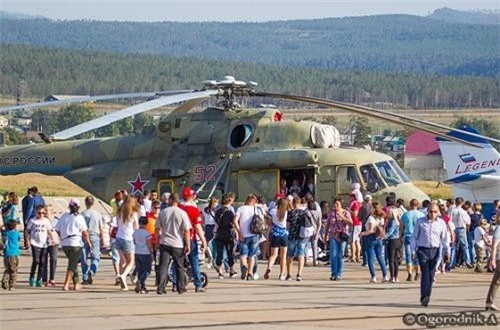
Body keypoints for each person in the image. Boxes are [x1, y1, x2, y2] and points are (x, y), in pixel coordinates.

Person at [410, 202, 450, 307]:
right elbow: (414, 236)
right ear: (427, 211)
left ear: (438, 213)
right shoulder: (420, 222)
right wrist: (413, 250)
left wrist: (447, 251)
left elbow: (445, 238)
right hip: (422, 250)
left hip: (435, 250)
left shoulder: (441, 223)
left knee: (431, 274)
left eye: (435, 212)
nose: (432, 214)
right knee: (425, 273)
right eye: (430, 211)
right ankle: (424, 296)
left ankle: (427, 295)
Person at [155, 193, 192, 295]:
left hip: (165, 242)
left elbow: (157, 229)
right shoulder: (182, 213)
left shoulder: (163, 212)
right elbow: (186, 230)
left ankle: (161, 287)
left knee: (163, 266)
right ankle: (181, 287)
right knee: (179, 266)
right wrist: (188, 244)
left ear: (170, 200)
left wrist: (157, 241)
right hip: (177, 243)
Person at [55, 199, 91, 291]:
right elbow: (85, 232)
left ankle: (76, 283)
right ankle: (66, 284)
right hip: (76, 243)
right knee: (72, 264)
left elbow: (57, 229)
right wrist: (89, 242)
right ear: (78, 207)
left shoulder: (64, 216)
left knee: (73, 263)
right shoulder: (79, 217)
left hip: (65, 243)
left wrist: (62, 237)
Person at [179, 187, 207, 292]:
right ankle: (198, 284)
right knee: (194, 261)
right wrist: (203, 240)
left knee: (178, 263)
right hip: (191, 238)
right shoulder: (194, 210)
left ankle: (176, 283)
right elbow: (198, 227)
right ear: (193, 196)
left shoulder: (178, 208)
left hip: (178, 239)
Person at [234, 194, 262, 280]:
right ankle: (250, 273)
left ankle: (244, 266)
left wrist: (239, 232)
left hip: (243, 234)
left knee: (243, 254)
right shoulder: (257, 209)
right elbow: (262, 221)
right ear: (254, 201)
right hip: (254, 234)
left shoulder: (240, 209)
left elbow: (235, 221)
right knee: (252, 255)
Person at [324, 197, 352, 281]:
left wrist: (342, 217)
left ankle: (339, 273)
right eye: (335, 204)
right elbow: (327, 225)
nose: (336, 206)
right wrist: (325, 236)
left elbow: (351, 223)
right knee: (333, 255)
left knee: (340, 255)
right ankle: (333, 273)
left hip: (342, 235)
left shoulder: (345, 212)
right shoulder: (331, 213)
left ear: (341, 205)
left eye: (337, 204)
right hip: (333, 235)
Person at [115, 196, 139, 291]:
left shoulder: (119, 212)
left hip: (118, 237)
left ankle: (123, 281)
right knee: (131, 261)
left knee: (123, 260)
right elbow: (136, 227)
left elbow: (117, 224)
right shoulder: (133, 214)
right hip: (128, 238)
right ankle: (123, 275)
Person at [27, 205, 55, 287]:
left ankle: (39, 279)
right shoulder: (32, 221)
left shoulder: (46, 221)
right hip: (34, 242)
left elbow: (49, 230)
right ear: (36, 213)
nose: (41, 215)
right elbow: (27, 231)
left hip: (44, 243)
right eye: (39, 213)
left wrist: (52, 239)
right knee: (36, 260)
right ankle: (32, 277)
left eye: (43, 213)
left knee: (42, 262)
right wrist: (28, 241)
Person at [361, 202, 389, 283]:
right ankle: (385, 275)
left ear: (373, 209)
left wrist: (362, 233)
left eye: (370, 207)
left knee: (371, 258)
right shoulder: (381, 218)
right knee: (380, 257)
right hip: (379, 238)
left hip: (370, 238)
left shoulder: (371, 218)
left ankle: (373, 276)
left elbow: (370, 230)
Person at [213, 193, 238, 279]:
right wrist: (237, 233)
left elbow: (216, 223)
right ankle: (231, 270)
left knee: (219, 253)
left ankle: (220, 272)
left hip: (219, 233)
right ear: (229, 200)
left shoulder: (217, 211)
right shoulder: (230, 211)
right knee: (230, 253)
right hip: (228, 233)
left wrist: (215, 233)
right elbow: (233, 223)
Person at [264, 198, 289, 280]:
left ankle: (269, 268)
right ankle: (282, 274)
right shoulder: (286, 212)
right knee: (283, 256)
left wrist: (267, 237)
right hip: (284, 234)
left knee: (273, 255)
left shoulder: (273, 211)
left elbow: (269, 224)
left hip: (275, 234)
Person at [81, 196, 104, 285]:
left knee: (84, 257)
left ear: (85, 203)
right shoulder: (97, 214)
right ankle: (92, 270)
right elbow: (101, 228)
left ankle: (85, 277)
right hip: (95, 235)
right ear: (93, 203)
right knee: (95, 257)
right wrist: (102, 239)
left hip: (84, 236)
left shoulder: (83, 214)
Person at [401, 199, 424, 281]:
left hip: (408, 235)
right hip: (417, 237)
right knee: (416, 255)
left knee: (408, 255)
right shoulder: (421, 215)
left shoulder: (405, 214)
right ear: (417, 205)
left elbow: (401, 227)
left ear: (410, 205)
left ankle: (409, 273)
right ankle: (417, 272)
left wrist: (400, 235)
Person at [286, 196, 308, 281]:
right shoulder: (304, 213)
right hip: (302, 236)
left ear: (293, 203)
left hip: (292, 235)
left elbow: (287, 225)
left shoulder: (291, 213)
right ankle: (299, 274)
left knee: (290, 255)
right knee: (301, 255)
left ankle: (289, 274)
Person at [133, 216, 153, 293]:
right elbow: (149, 244)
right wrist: (151, 250)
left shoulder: (135, 232)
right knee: (147, 270)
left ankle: (142, 286)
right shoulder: (147, 233)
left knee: (140, 270)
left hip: (137, 252)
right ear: (146, 223)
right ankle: (141, 281)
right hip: (145, 253)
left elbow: (134, 242)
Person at [450, 197, 472, 269]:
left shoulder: (452, 210)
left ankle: (452, 262)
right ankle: (467, 261)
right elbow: (468, 221)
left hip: (453, 228)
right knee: (464, 246)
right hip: (461, 228)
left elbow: (449, 219)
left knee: (453, 246)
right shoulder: (463, 212)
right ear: (462, 203)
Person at [485, 210, 500, 311]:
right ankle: (489, 302)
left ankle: (489, 302)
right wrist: (493, 259)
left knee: (497, 280)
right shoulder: (499, 229)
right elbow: (494, 245)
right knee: (497, 280)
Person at [2, 220, 20, 291]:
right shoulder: (16, 233)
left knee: (7, 269)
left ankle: (5, 280)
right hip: (14, 254)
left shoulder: (5, 234)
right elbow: (18, 238)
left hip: (6, 254)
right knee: (13, 270)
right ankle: (12, 284)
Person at [43, 204, 59, 286]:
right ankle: (44, 279)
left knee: (53, 259)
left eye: (47, 210)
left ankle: (52, 278)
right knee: (44, 261)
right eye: (44, 210)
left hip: (54, 243)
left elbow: (60, 231)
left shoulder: (56, 221)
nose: (45, 212)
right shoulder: (42, 221)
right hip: (44, 243)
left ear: (52, 212)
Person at [385, 207, 402, 283]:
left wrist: (383, 237)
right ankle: (396, 276)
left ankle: (392, 276)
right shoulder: (398, 221)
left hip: (392, 241)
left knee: (391, 259)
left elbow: (390, 232)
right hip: (398, 240)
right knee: (395, 259)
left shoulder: (392, 221)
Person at [203, 196, 218, 267]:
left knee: (207, 243)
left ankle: (210, 257)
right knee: (213, 244)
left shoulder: (205, 210)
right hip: (213, 227)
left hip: (207, 227)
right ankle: (212, 258)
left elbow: (202, 218)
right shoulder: (216, 211)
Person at [359, 195, 374, 267]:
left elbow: (359, 217)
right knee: (371, 244)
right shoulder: (373, 207)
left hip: (364, 225)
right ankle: (371, 260)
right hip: (372, 226)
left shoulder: (362, 208)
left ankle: (365, 261)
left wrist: (362, 220)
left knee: (364, 244)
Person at [348, 192, 362, 263]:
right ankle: (358, 256)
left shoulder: (354, 203)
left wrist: (349, 210)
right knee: (357, 240)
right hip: (359, 223)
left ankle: (353, 256)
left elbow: (355, 213)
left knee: (352, 241)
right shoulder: (360, 203)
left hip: (354, 223)